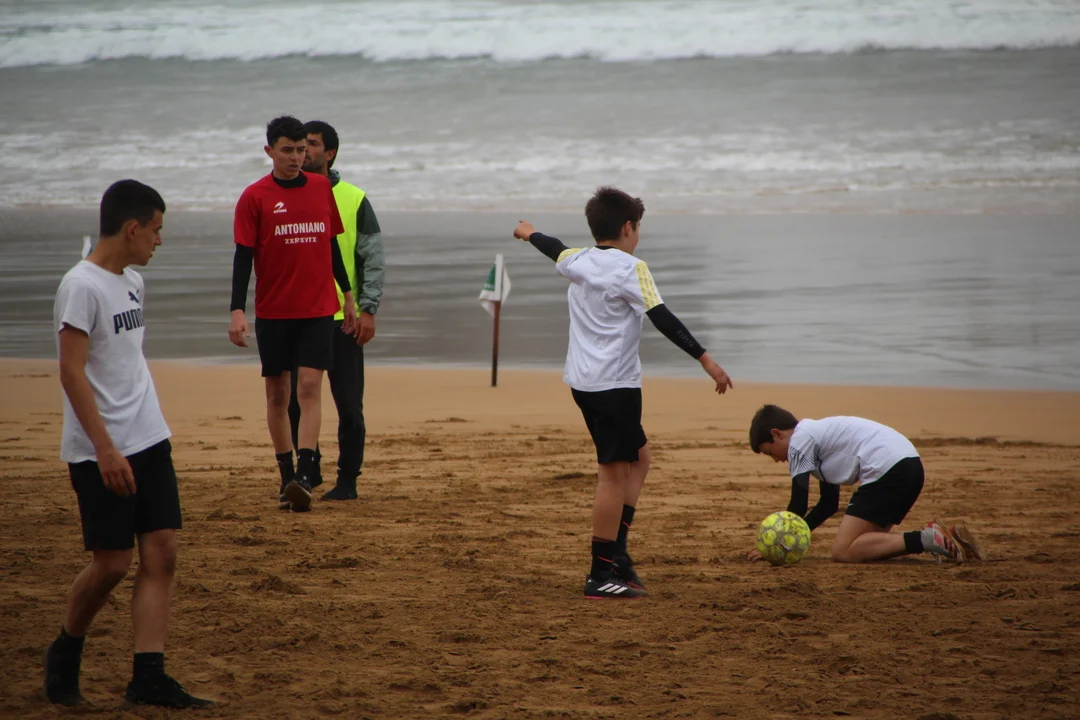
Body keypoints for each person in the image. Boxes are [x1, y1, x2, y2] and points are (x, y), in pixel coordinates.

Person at [513, 187, 733, 599]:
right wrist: (705, 359)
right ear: (628, 227)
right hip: (615, 386)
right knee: (613, 476)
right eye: (638, 228)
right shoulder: (632, 268)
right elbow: (662, 317)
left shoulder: (578, 260)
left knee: (640, 459)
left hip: (584, 383)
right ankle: (600, 573)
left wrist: (528, 232)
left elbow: (552, 247)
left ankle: (618, 552)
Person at [45, 179, 212, 708]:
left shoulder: (134, 282)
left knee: (162, 551)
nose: (160, 240)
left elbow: (124, 359)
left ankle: (149, 675)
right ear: (132, 228)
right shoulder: (80, 287)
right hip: (100, 448)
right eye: (156, 230)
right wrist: (105, 449)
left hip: (149, 436)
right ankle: (66, 648)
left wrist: (143, 430)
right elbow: (71, 372)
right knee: (113, 563)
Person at [229, 116, 357, 512]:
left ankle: (305, 474)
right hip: (274, 311)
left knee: (310, 388)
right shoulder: (254, 197)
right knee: (277, 393)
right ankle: (286, 475)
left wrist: (348, 295)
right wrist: (237, 309)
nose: (296, 157)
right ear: (269, 151)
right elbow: (243, 257)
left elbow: (331, 246)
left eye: (301, 150)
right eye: (288, 150)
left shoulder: (320, 188)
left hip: (318, 307)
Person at [747, 404, 984, 563]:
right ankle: (950, 538)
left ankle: (929, 538)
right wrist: (799, 537)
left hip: (888, 469)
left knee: (843, 551)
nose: (776, 459)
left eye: (770, 452)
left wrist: (777, 545)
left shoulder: (800, 441)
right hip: (909, 467)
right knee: (865, 549)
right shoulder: (816, 439)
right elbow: (828, 504)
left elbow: (797, 506)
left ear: (777, 434)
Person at [286, 119, 385, 501]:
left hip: (344, 319)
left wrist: (369, 309)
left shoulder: (354, 198)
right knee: (296, 403)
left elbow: (372, 259)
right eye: (299, 145)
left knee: (349, 407)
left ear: (330, 153)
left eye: (311, 144)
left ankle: (348, 481)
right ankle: (308, 473)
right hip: (300, 318)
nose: (304, 151)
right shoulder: (285, 195)